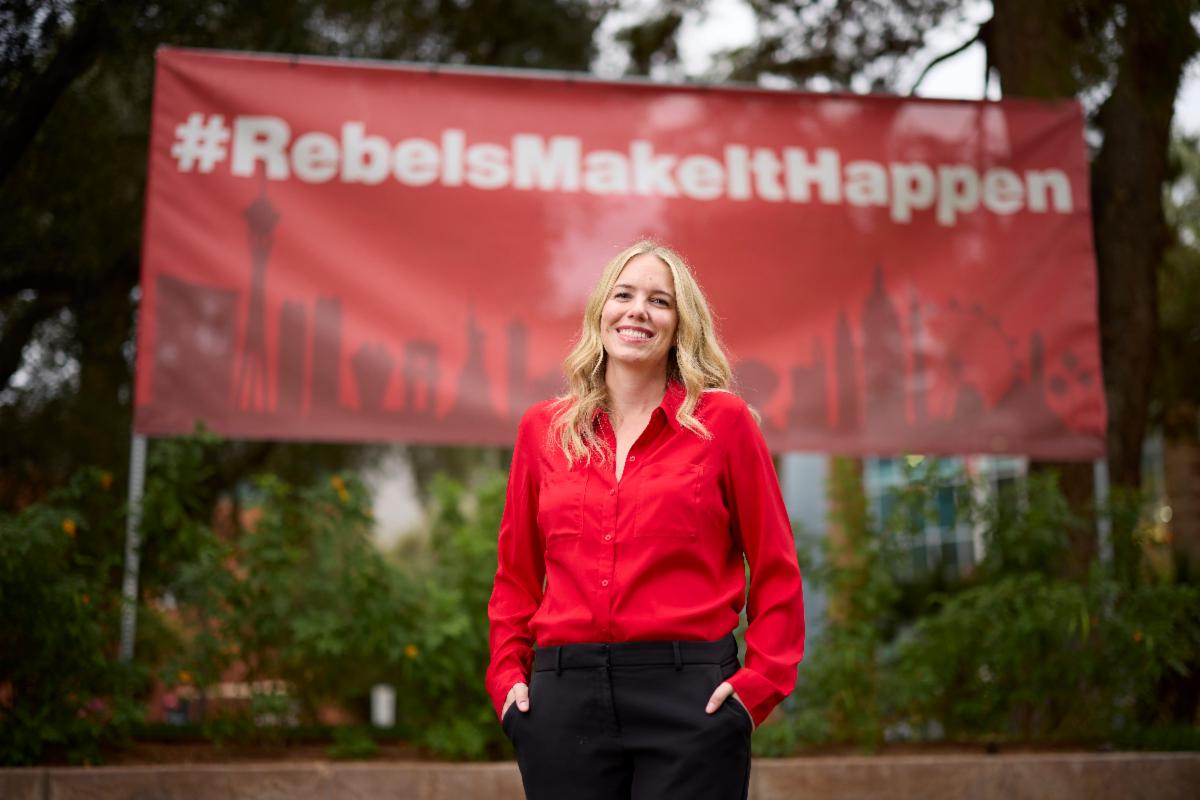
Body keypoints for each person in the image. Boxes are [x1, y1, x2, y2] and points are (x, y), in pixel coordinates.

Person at [486, 240, 805, 800]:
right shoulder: (543, 431)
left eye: (660, 301)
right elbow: (515, 578)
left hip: (690, 699)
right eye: (624, 294)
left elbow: (776, 566)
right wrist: (509, 683)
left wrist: (757, 690)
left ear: (681, 325)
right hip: (563, 702)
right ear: (599, 313)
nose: (638, 310)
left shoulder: (724, 424)